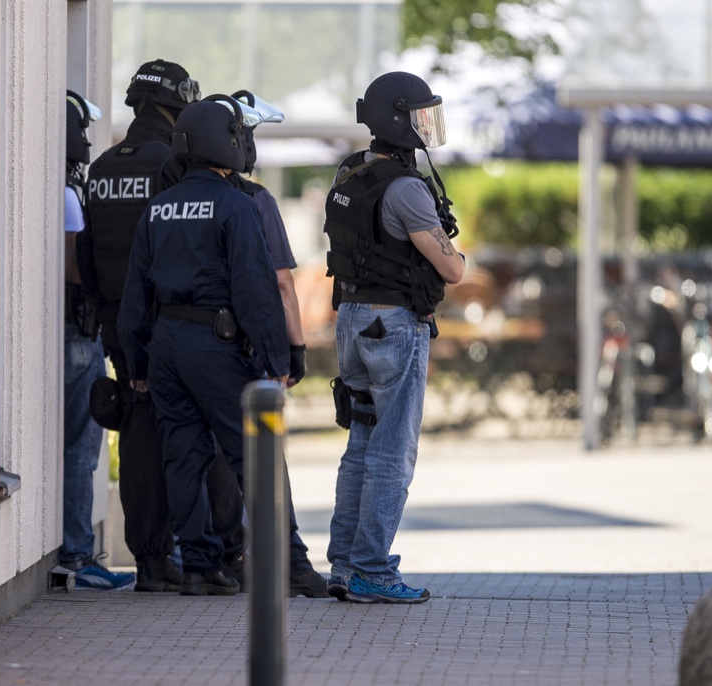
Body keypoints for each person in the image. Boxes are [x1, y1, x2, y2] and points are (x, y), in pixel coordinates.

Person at [117, 99, 291, 595]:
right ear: (226, 142)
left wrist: (138, 360)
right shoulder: (236, 204)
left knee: (183, 458)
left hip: (167, 344)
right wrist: (276, 359)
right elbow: (255, 291)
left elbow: (137, 294)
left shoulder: (159, 207)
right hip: (215, 343)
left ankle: (199, 567)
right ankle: (284, 562)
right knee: (251, 455)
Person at [322, 72, 465, 603]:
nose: (427, 127)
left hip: (352, 319)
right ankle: (372, 572)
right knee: (392, 451)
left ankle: (342, 566)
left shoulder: (349, 172)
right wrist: (457, 254)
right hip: (394, 326)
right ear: (399, 119)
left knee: (360, 443)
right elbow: (451, 271)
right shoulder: (406, 188)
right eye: (420, 116)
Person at [198, 91, 327, 597]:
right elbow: (281, 285)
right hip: (246, 349)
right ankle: (290, 563)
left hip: (186, 345)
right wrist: (292, 352)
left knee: (204, 454)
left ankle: (224, 556)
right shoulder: (254, 200)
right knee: (260, 457)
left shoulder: (179, 195)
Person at [78, 59, 200, 592]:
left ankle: (148, 560)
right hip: (165, 323)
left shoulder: (102, 167)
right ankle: (173, 556)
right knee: (180, 439)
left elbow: (87, 252)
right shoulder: (170, 164)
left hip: (112, 324)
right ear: (178, 106)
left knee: (136, 436)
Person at [60, 90, 135, 591]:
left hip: (73, 332)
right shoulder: (66, 194)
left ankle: (74, 549)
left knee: (78, 449)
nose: (88, 139)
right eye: (83, 128)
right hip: (79, 334)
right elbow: (72, 265)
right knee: (83, 450)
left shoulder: (70, 188)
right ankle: (77, 554)